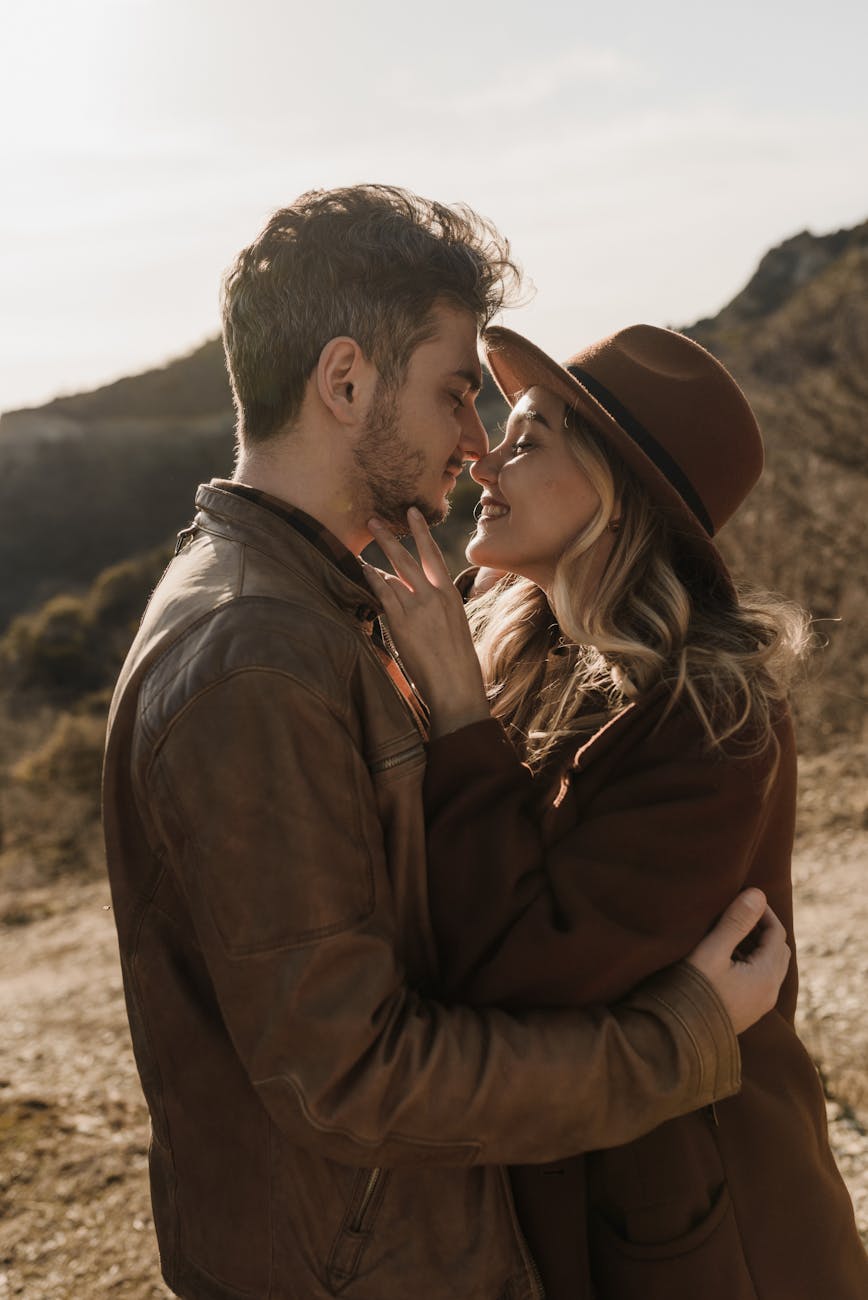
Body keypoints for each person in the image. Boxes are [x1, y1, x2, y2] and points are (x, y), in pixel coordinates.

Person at [102, 187, 790, 1300]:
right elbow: (356, 1074)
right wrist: (679, 1039)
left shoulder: (328, 610)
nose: (474, 445)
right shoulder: (256, 653)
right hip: (365, 1265)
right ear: (344, 383)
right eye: (459, 394)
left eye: (509, 422)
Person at [364, 322, 868, 1299]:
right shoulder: (518, 651)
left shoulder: (714, 715)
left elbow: (518, 962)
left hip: (705, 1233)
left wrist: (460, 710)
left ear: (617, 491)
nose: (485, 456)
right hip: (561, 1200)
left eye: (530, 435)